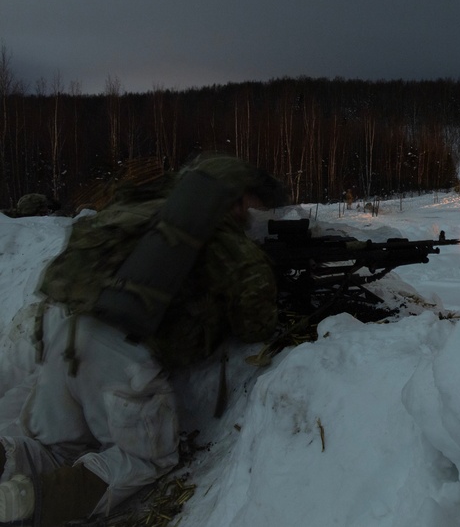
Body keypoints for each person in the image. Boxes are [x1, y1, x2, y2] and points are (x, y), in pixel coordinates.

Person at [0, 156, 284, 526]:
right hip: (121, 356)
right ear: (233, 198)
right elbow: (256, 325)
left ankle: (5, 461)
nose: (253, 214)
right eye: (251, 204)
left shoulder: (142, 208)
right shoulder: (220, 237)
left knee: (54, 448)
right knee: (147, 457)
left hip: (66, 331)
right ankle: (26, 502)